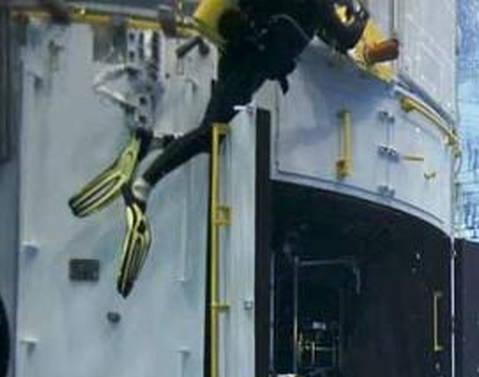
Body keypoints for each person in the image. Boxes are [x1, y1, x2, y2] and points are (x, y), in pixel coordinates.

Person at [71, 0, 372, 297]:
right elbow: (345, 38)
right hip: (252, 64)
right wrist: (362, 16)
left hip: (237, 52)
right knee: (209, 135)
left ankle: (155, 144)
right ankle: (142, 187)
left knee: (212, 135)